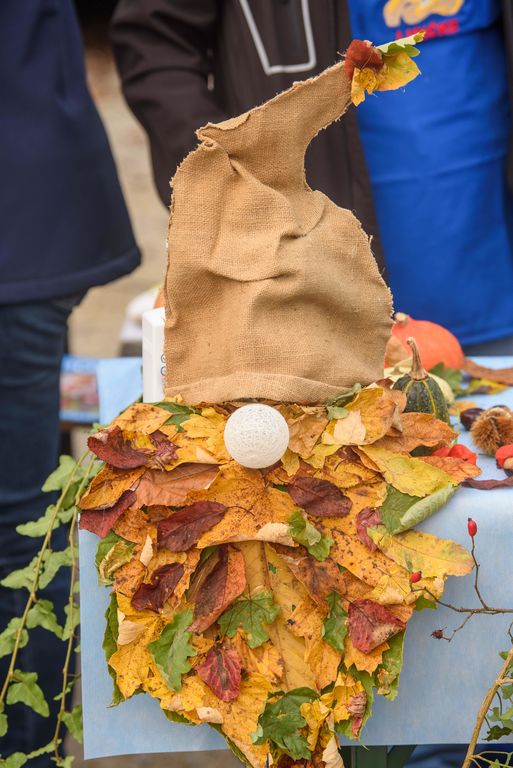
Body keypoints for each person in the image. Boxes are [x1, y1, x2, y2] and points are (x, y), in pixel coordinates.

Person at [110, 1, 513, 766]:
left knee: (487, 568)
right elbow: (155, 39)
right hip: (306, 300)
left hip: (488, 279)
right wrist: (228, 179)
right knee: (339, 583)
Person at [0, 1, 140, 764]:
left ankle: (27, 749)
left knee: (19, 520)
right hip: (33, 203)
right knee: (24, 515)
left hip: (23, 220)